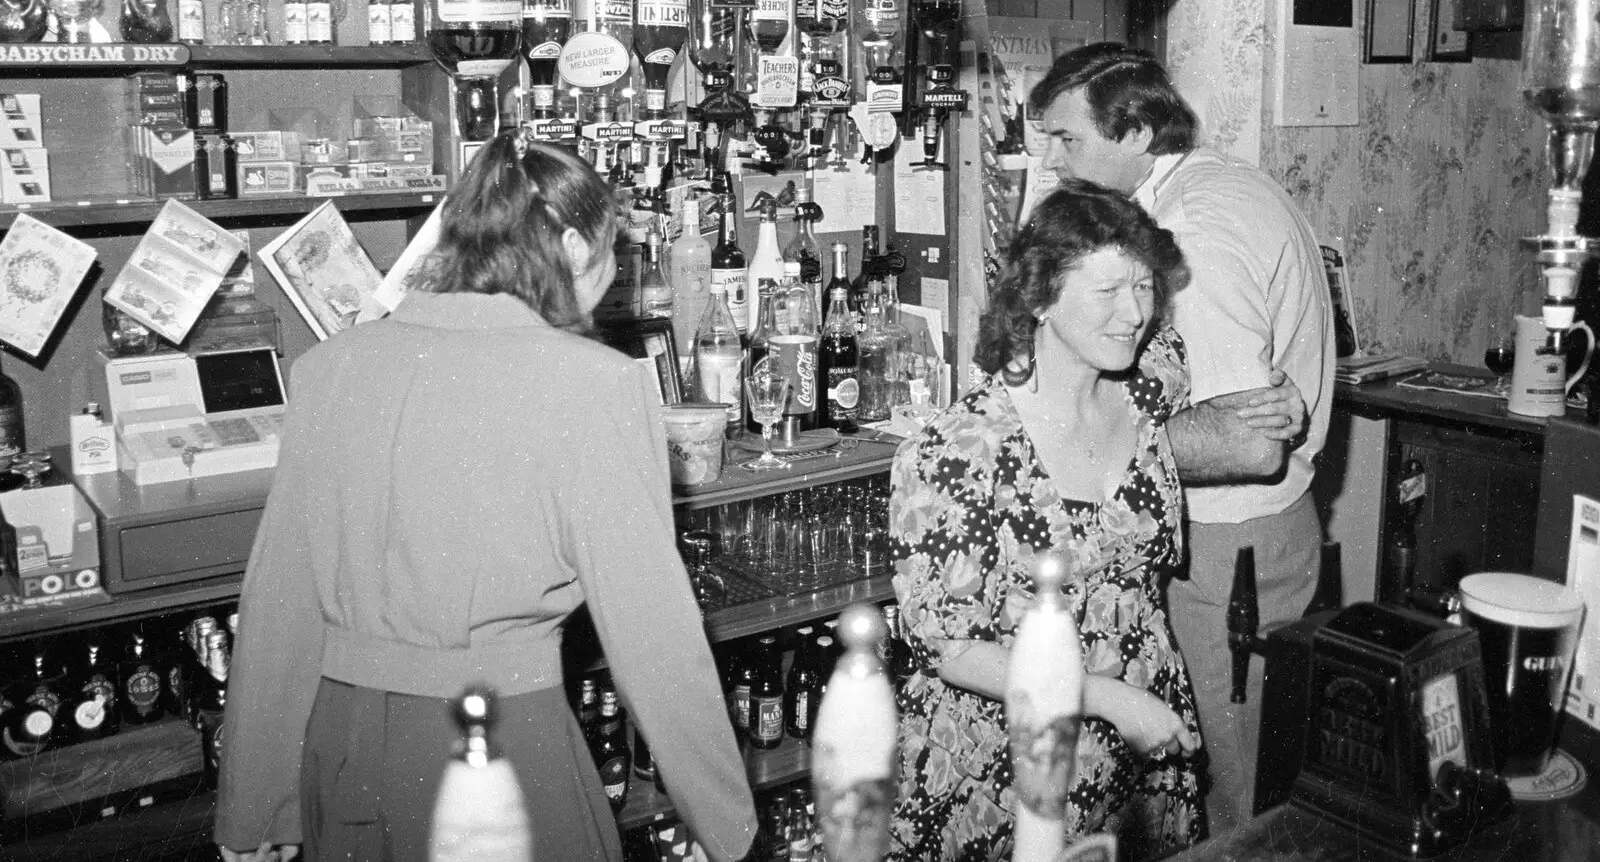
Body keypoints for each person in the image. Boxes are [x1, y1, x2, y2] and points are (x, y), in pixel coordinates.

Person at [214, 135, 757, 862]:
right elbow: (654, 633)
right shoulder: (595, 384)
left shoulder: (329, 368)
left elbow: (279, 599)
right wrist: (726, 824)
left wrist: (257, 808)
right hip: (501, 748)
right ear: (569, 245)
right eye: (610, 256)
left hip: (343, 751)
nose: (612, 281)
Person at [889, 180, 1294, 862]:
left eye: (1143, 288)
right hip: (1008, 757)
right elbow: (949, 649)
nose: (1133, 313)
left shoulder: (1147, 384)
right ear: (1041, 298)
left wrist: (1277, 405)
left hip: (1138, 741)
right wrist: (1107, 698)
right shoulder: (958, 450)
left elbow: (1234, 394)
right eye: (1107, 293)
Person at [1030, 43, 1335, 837]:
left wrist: (1089, 441)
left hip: (1229, 546)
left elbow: (1247, 443)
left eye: (1068, 140)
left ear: (1134, 132)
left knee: (1228, 793)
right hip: (1244, 539)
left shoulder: (1192, 230)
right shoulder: (1219, 184)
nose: (1054, 163)